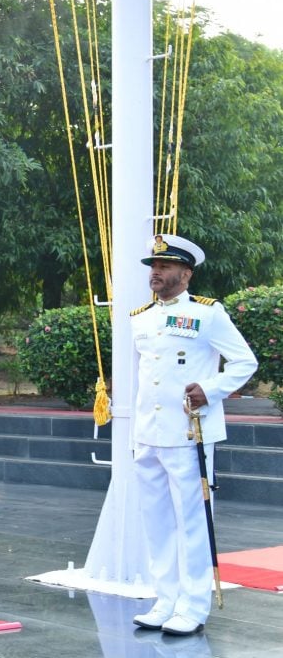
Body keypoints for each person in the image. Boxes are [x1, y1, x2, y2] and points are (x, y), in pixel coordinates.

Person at [130, 234, 257, 636]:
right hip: (149, 433)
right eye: (153, 266)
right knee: (156, 521)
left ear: (185, 274)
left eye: (165, 267)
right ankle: (165, 599)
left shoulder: (208, 314)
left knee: (192, 522)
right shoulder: (141, 317)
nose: (156, 272)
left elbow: (244, 361)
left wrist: (210, 389)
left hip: (189, 433)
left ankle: (193, 606)